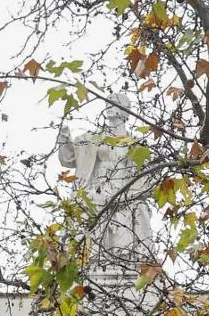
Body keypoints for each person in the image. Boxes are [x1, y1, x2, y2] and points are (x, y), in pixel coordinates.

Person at [56, 95, 152, 264]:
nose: (109, 105)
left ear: (125, 112)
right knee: (86, 205)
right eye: (108, 102)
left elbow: (144, 180)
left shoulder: (136, 145)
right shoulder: (92, 139)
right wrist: (64, 137)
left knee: (140, 208)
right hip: (95, 189)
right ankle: (88, 260)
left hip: (124, 193)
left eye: (115, 102)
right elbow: (68, 159)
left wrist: (124, 195)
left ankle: (128, 262)